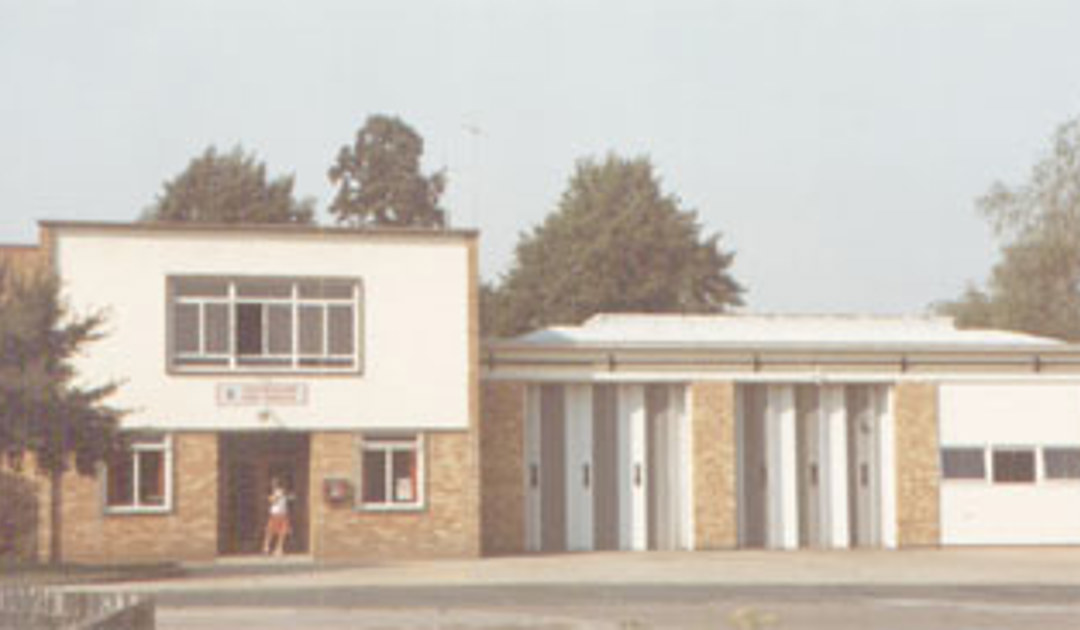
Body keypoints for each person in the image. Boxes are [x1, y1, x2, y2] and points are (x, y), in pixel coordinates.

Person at [262, 477, 292, 556]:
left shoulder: (281, 492)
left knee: (282, 533)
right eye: (273, 483)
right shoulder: (274, 492)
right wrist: (275, 496)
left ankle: (278, 549)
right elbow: (272, 500)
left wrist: (288, 496)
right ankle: (266, 548)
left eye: (275, 483)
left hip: (281, 514)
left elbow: (275, 500)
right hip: (275, 514)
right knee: (270, 531)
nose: (273, 484)